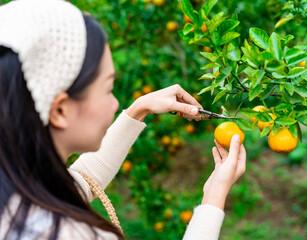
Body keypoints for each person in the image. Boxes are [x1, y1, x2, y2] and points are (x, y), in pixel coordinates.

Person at [0, 0, 247, 239]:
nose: (116, 103)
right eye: (108, 89)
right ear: (60, 111)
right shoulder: (65, 233)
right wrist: (214, 197)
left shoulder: (17, 189)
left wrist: (140, 109)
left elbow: (83, 181)